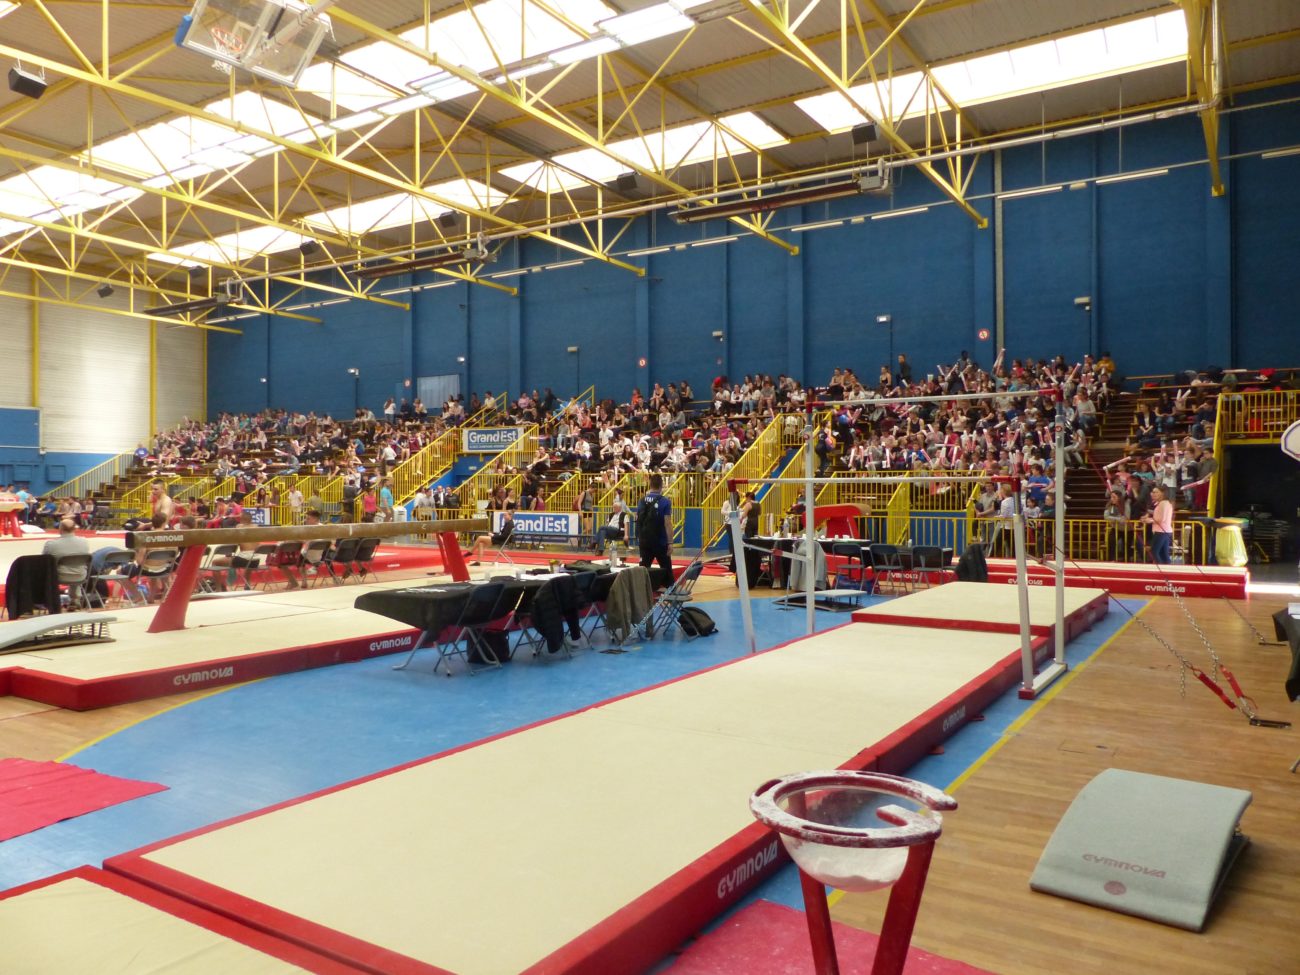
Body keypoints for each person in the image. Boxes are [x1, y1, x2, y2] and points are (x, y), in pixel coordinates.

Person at [636, 473, 673, 574]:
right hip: (660, 542)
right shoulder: (665, 501)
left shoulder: (641, 501)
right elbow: (667, 523)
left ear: (650, 485)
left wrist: (639, 537)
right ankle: (668, 584)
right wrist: (670, 543)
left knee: (642, 571)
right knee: (667, 571)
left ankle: (642, 584)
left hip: (644, 541)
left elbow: (638, 519)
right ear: (661, 485)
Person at [42, 519, 90, 584]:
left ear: (60, 528)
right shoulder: (84, 542)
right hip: (81, 576)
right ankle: (76, 590)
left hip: (58, 576)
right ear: (74, 528)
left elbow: (43, 561)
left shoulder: (51, 544)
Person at [1141, 485, 1174, 564]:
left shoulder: (1163, 503)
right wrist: (1149, 515)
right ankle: (1167, 568)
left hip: (1161, 531)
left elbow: (1162, 519)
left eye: (1155, 492)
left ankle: (1160, 567)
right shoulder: (1163, 503)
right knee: (1163, 553)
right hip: (1164, 530)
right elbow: (1160, 515)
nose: (1153, 494)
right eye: (1153, 492)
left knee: (1154, 551)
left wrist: (1149, 520)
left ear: (1162, 493)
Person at [591, 489, 627, 554]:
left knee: (602, 527)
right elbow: (607, 523)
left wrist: (626, 535)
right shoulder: (611, 514)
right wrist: (606, 527)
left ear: (619, 508)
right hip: (609, 530)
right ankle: (601, 550)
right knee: (602, 532)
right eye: (613, 507)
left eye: (615, 508)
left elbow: (626, 525)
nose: (614, 509)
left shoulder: (624, 515)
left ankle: (594, 542)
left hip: (617, 530)